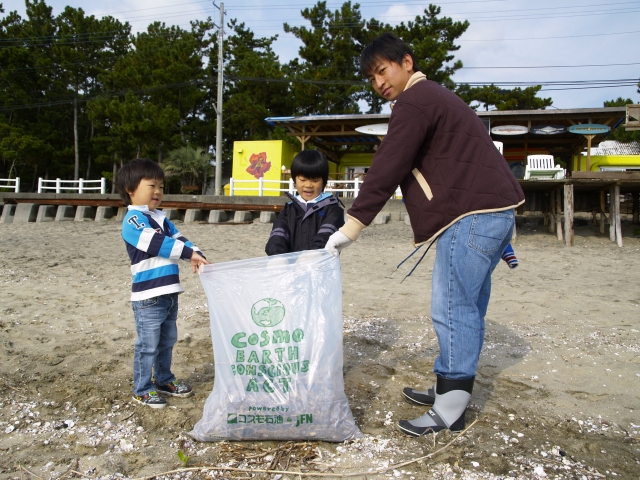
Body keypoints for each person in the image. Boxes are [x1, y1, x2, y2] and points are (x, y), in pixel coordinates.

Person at [325, 33, 525, 436]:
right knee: (467, 306)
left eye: (383, 71)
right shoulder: (436, 97)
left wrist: (352, 226)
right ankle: (448, 386)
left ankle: (450, 409)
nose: (379, 83)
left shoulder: (415, 101)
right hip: (493, 213)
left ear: (406, 62)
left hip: (470, 217)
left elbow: (389, 164)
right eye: (372, 78)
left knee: (452, 307)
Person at [117, 158, 210, 409]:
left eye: (161, 186)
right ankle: (141, 389)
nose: (158, 191)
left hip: (169, 293)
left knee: (167, 341)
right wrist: (187, 253)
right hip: (148, 295)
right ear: (130, 189)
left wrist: (197, 254)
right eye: (151, 186)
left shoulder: (161, 218)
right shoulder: (133, 221)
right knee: (148, 345)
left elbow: (180, 239)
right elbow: (157, 243)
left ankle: (164, 379)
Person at [265, 150, 344, 255]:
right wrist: (277, 255)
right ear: (295, 180)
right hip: (294, 265)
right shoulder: (288, 210)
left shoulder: (333, 209)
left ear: (324, 182)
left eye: (315, 180)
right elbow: (278, 235)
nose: (308, 185)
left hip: (321, 263)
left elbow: (326, 235)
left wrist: (312, 255)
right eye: (302, 180)